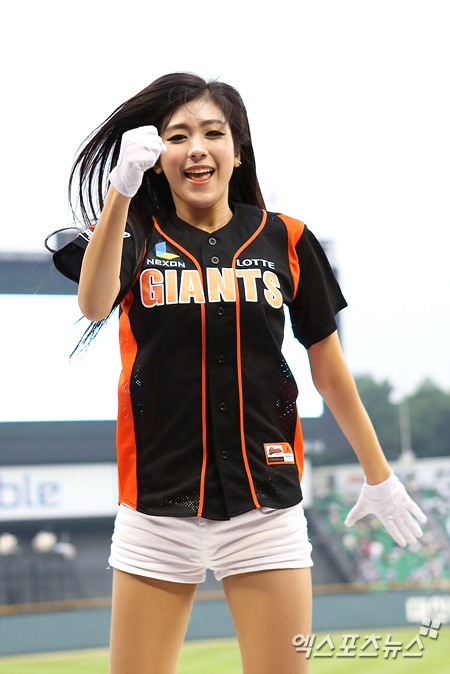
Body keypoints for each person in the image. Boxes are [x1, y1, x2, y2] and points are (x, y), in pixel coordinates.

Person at [49, 73, 427, 674]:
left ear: (238, 149)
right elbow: (93, 305)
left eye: (213, 133)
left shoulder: (288, 239)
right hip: (156, 511)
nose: (196, 148)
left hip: (265, 510)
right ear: (157, 157)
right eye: (178, 136)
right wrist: (120, 189)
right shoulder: (136, 234)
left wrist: (379, 476)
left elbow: (330, 372)